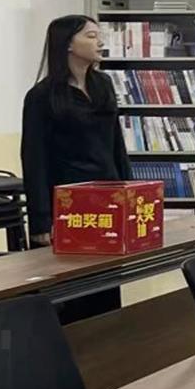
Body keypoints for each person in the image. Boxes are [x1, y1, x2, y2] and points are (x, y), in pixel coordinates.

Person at [21, 14, 130, 246]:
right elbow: (34, 160)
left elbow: (117, 145)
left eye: (99, 36)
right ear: (68, 44)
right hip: (69, 198)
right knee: (75, 264)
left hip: (109, 192)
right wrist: (41, 221)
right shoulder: (42, 96)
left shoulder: (103, 84)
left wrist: (131, 193)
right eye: (91, 36)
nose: (100, 42)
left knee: (112, 262)